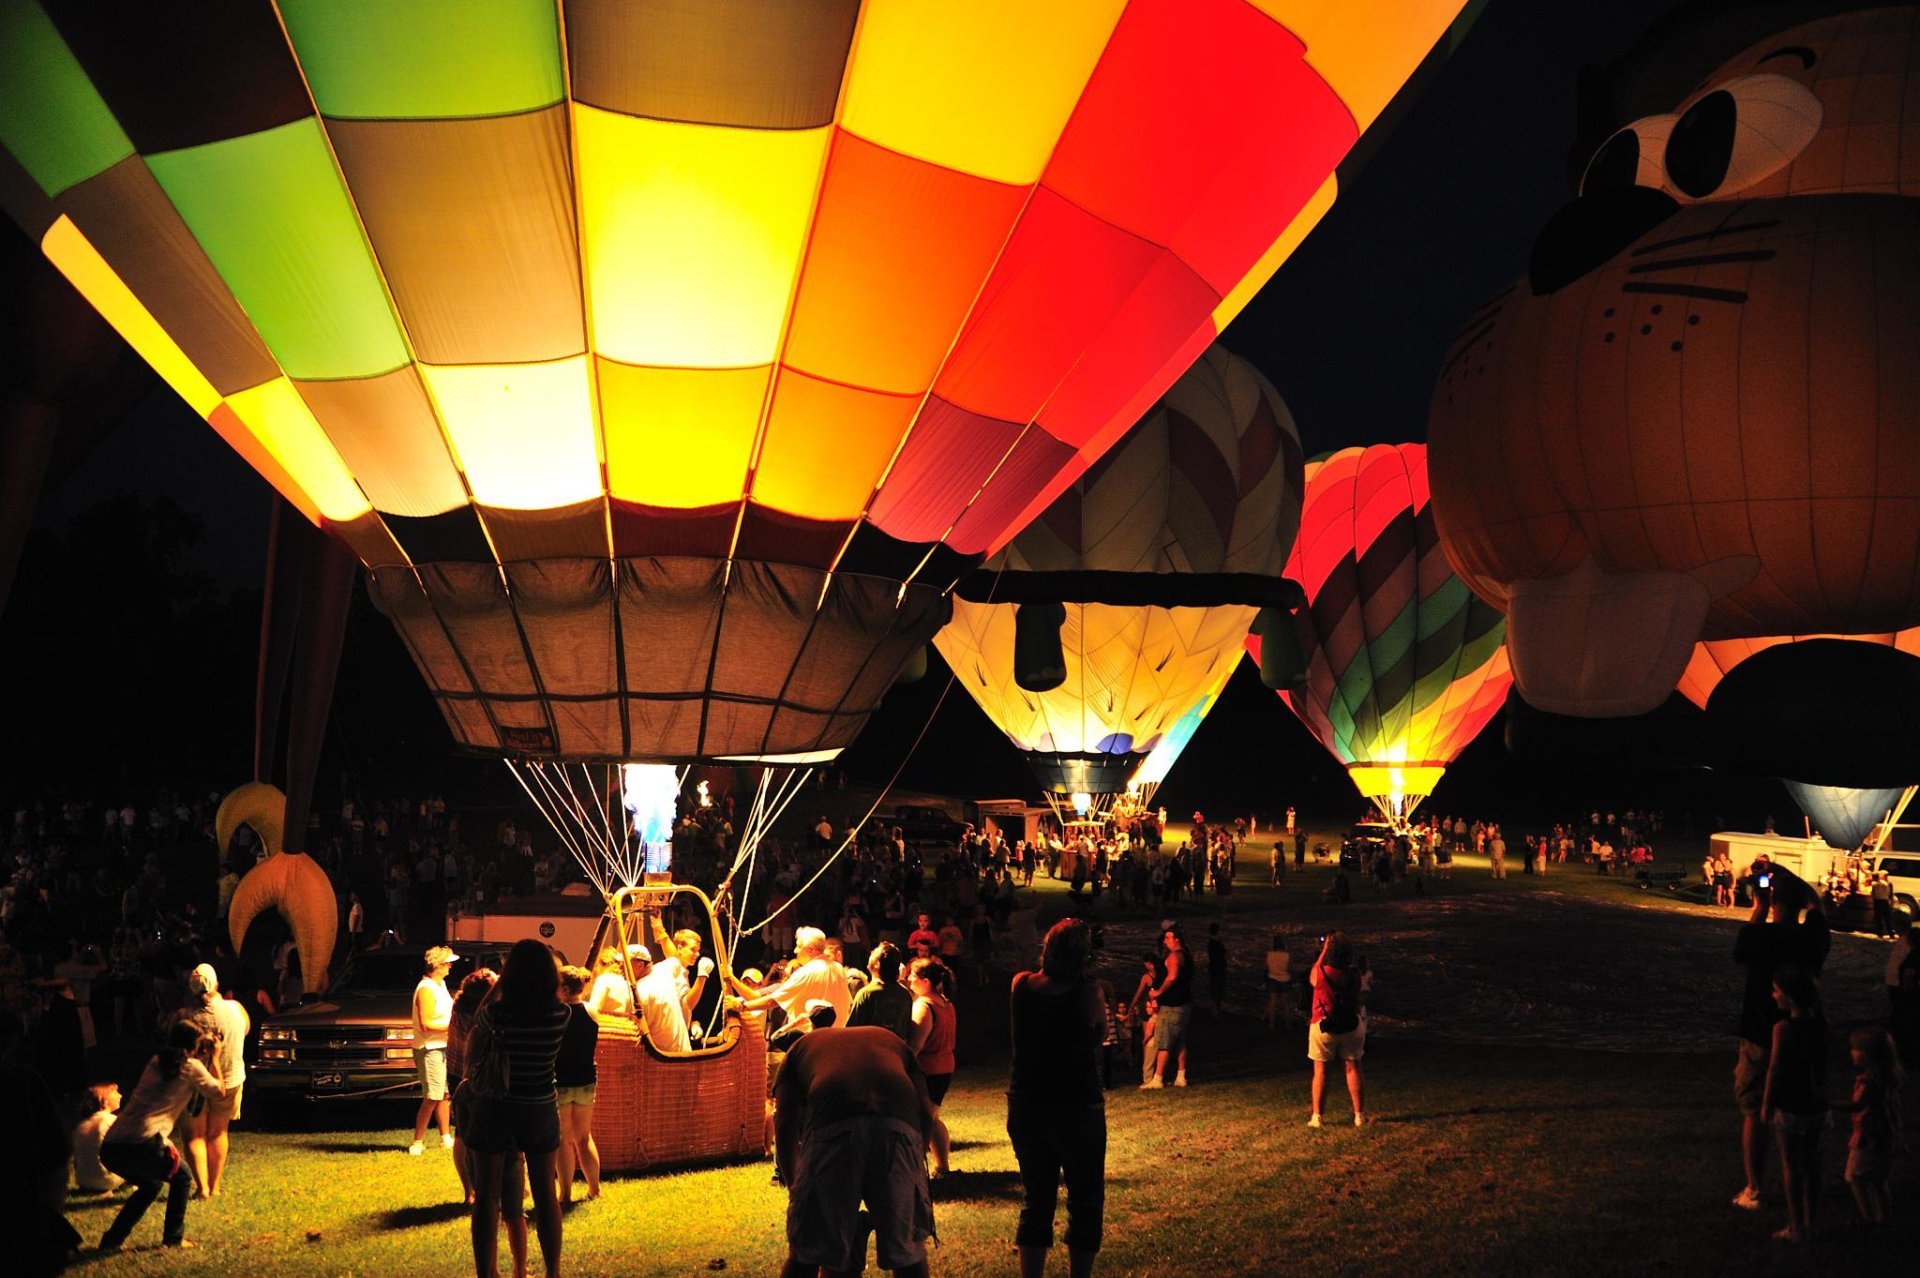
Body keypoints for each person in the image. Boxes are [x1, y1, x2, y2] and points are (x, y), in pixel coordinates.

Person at [774, 1025, 936, 1278]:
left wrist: (795, 1185)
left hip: (832, 1131)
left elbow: (784, 1122)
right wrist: (914, 1162)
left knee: (809, 1249)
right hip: (897, 1129)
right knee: (908, 1252)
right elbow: (927, 1112)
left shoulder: (796, 1052)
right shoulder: (894, 1042)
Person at [1007, 919, 1107, 1278]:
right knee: (1085, 1198)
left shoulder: (1020, 985)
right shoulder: (1086, 992)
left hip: (1027, 1102)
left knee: (1037, 1198)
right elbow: (1099, 1034)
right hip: (1076, 1104)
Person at [465, 938, 569, 1278]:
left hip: (497, 1104)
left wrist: (498, 986)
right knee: (545, 1194)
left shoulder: (497, 1013)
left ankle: (487, 1272)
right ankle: (553, 1271)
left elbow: (477, 1018)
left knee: (487, 1194)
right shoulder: (560, 1015)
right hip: (539, 1105)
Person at [1730, 877, 1822, 1211]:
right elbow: (1817, 910)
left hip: (1759, 1032)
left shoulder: (1760, 936)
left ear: (1773, 902)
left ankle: (1755, 1188)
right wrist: (1808, 900)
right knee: (1799, 1105)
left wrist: (1759, 907)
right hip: (1804, 1033)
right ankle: (1806, 1187)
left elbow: (1740, 953)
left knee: (1754, 1108)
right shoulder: (1813, 937)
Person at [98, 1020, 227, 1252]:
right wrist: (215, 1057)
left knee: (150, 1185)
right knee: (183, 1177)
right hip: (142, 1143)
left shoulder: (156, 1062)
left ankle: (111, 1241)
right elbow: (220, 1092)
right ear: (193, 1045)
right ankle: (173, 1239)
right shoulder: (191, 1068)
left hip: (112, 1145)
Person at [1760, 965, 1827, 1242]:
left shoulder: (1783, 1028)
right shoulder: (1821, 1026)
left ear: (1788, 996)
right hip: (1816, 1104)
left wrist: (1766, 1104)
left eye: (1776, 990)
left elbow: (1775, 1070)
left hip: (1790, 1104)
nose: (1773, 995)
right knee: (1813, 1166)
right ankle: (1812, 1223)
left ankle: (1796, 1225)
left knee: (1791, 1166)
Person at [1833, 1026, 1903, 1226]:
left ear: (1868, 1054)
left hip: (1869, 1137)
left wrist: (1828, 1104)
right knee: (1879, 1179)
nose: (1851, 1052)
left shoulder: (1869, 1082)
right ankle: (1883, 1217)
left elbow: (1857, 1105)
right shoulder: (1887, 1079)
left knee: (1854, 1176)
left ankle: (1867, 1217)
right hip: (1887, 1135)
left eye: (1855, 1049)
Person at [189, 963, 248, 1196]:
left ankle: (202, 1187)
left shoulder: (187, 1016)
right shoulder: (235, 1009)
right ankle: (214, 1185)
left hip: (197, 1083)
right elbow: (245, 1029)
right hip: (230, 1078)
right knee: (219, 1132)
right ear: (216, 985)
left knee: (196, 1135)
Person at [447, 966, 499, 1206]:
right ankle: (489, 1187)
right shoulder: (484, 1015)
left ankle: (469, 1191)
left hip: (457, 1074)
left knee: (462, 1133)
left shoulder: (458, 1007)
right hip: (479, 1075)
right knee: (486, 1131)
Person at [740, 927, 853, 1031]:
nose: (795, 951)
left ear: (811, 950)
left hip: (810, 1040)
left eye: (798, 946)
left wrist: (741, 1006)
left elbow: (771, 1001)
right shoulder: (838, 968)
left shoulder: (806, 972)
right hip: (837, 1036)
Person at [1306, 932, 1366, 1127]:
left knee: (1321, 1071)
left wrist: (1323, 950)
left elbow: (1313, 976)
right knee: (1353, 1067)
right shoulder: (1354, 973)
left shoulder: (1322, 973)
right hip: (1351, 1023)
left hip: (1325, 1025)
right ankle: (1359, 1115)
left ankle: (1317, 1116)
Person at [906, 957, 957, 1176]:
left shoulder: (924, 1006)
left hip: (928, 1068)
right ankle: (942, 1167)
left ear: (925, 981)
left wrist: (904, 1064)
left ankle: (918, 1168)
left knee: (923, 1118)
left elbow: (916, 1043)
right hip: (945, 1066)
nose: (908, 980)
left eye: (912, 976)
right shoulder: (946, 1003)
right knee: (932, 1117)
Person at [554, 965, 601, 1204]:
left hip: (560, 1081)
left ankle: (565, 1194)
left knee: (563, 1139)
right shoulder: (592, 1011)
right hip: (586, 1079)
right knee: (584, 1137)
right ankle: (594, 1189)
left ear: (564, 988)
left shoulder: (556, 1013)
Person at [411, 946, 456, 1157]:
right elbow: (427, 1024)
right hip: (430, 1048)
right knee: (432, 1095)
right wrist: (454, 1026)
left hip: (442, 1046)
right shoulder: (426, 989)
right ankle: (417, 1141)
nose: (450, 966)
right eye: (447, 963)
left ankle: (445, 1137)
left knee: (444, 1094)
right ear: (437, 966)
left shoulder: (440, 985)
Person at [1139, 926, 1191, 1088]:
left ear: (1177, 939)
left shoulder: (1175, 956)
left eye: (1168, 938)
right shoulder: (1186, 955)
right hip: (1184, 1004)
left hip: (1172, 1005)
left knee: (1164, 1042)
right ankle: (1181, 1076)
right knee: (1179, 1041)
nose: (1165, 941)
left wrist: (1158, 992)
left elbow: (1172, 977)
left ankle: (1157, 1079)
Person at [629, 945, 693, 1052]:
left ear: (640, 966)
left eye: (625, 964)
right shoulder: (665, 970)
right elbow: (675, 961)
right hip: (685, 1053)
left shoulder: (639, 993)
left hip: (662, 1060)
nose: (621, 968)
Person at [848, 943, 914, 1041]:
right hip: (894, 1051)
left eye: (873, 954)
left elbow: (852, 1030)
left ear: (877, 964)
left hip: (871, 1052)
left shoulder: (867, 993)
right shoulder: (905, 994)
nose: (870, 954)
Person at [72, 1082, 124, 1195]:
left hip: (83, 1180)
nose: (121, 1096)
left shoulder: (82, 1124)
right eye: (116, 1093)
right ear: (104, 1099)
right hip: (106, 1180)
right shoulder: (111, 1121)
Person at [588, 946, 634, 1018]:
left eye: (596, 965)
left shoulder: (604, 980)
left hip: (605, 1025)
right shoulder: (627, 984)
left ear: (604, 963)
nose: (595, 969)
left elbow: (592, 1010)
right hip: (624, 1026)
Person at [1264, 934, 1297, 1030]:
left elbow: (1265, 967)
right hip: (1285, 979)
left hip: (1272, 979)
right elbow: (1290, 967)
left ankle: (1271, 1024)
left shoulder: (1269, 954)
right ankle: (1288, 1024)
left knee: (1273, 1002)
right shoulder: (1287, 955)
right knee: (1286, 1003)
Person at [1205, 923, 1228, 1017]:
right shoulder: (1216, 943)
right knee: (1217, 990)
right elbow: (1225, 954)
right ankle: (1215, 1011)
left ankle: (1215, 1009)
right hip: (1218, 969)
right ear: (1218, 932)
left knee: (1215, 989)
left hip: (1214, 968)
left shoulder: (1211, 943)